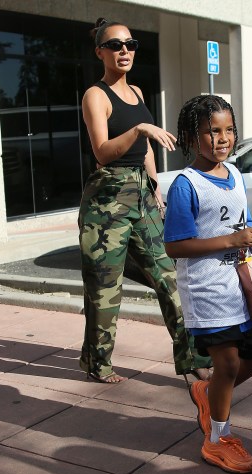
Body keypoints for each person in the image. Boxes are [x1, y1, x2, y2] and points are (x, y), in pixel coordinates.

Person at [78, 18, 212, 384]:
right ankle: (98, 364)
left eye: (130, 44)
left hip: (142, 194)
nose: (124, 51)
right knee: (105, 289)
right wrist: (139, 129)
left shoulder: (137, 92)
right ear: (100, 52)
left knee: (172, 278)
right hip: (106, 200)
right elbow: (104, 152)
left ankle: (193, 357)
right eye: (116, 45)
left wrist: (156, 188)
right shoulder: (96, 95)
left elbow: (146, 149)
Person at [163, 95, 252, 474]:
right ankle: (217, 441)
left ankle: (206, 392)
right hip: (207, 290)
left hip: (240, 287)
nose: (223, 138)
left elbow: (238, 223)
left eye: (229, 130)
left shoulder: (236, 175)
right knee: (226, 363)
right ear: (192, 137)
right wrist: (231, 241)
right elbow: (174, 245)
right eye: (213, 131)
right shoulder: (186, 184)